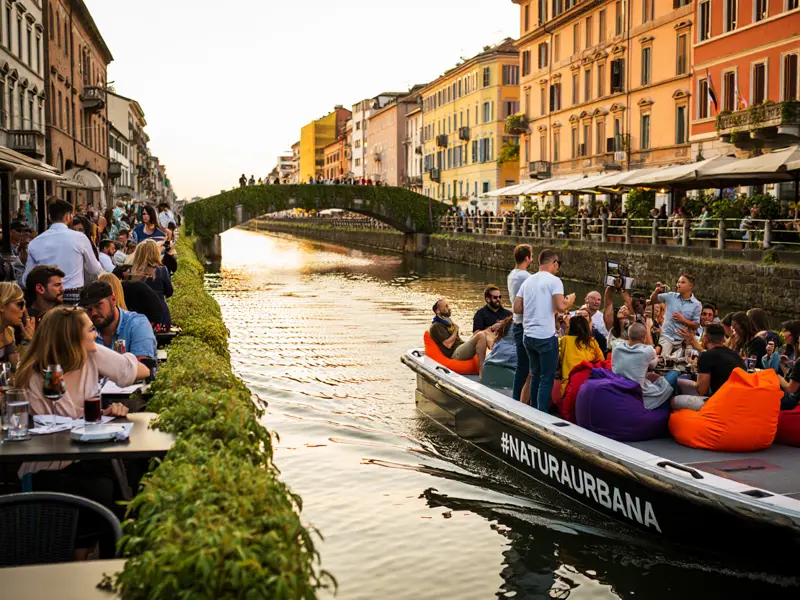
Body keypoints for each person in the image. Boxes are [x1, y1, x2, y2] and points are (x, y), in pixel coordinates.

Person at [513, 249, 575, 412]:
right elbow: (561, 308)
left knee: (535, 374)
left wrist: (536, 307)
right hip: (545, 336)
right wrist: (570, 301)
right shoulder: (554, 281)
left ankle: (533, 410)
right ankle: (542, 414)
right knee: (546, 378)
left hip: (528, 336)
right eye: (558, 264)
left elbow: (517, 308)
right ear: (553, 262)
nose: (558, 268)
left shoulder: (528, 281)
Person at [23, 200, 104, 306]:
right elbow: (94, 269)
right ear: (68, 217)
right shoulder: (79, 238)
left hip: (47, 298)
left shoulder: (35, 242)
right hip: (73, 297)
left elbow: (26, 279)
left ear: (49, 217)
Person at [672, 324, 746, 411]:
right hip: (740, 401)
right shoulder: (735, 355)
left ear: (705, 339)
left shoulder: (706, 356)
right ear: (722, 339)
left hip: (720, 404)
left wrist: (683, 382)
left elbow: (702, 390)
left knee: (674, 400)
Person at [78, 281, 157, 361]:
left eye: (98, 305)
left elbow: (143, 367)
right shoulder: (84, 329)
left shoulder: (137, 324)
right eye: (89, 309)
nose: (94, 313)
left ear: (113, 300)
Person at [612, 322, 678, 410]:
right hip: (639, 393)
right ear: (644, 338)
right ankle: (670, 404)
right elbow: (653, 365)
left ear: (628, 336)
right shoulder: (647, 351)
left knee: (651, 376)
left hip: (619, 388)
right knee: (674, 373)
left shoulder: (616, 348)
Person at [429, 299, 489, 376]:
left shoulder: (448, 322)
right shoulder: (436, 326)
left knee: (484, 332)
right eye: (446, 306)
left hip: (460, 347)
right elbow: (448, 345)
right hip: (454, 353)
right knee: (481, 335)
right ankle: (482, 371)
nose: (449, 308)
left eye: (449, 306)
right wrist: (456, 330)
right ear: (438, 310)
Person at [649, 274, 702, 357]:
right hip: (667, 337)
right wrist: (656, 291)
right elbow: (653, 300)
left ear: (690, 286)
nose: (678, 284)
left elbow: (696, 324)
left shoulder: (697, 304)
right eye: (678, 282)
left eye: (682, 282)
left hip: (682, 340)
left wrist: (683, 320)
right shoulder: (670, 296)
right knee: (663, 362)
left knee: (681, 365)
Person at [128, 239, 173, 327]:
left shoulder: (131, 272)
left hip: (137, 316)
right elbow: (169, 292)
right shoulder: (162, 270)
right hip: (160, 315)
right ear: (155, 253)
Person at [558, 311, 604, 395]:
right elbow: (601, 361)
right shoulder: (592, 341)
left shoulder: (564, 340)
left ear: (570, 327)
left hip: (568, 385)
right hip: (589, 384)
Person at [508, 244, 532, 402]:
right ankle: (519, 399)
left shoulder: (512, 274)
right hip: (524, 325)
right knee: (526, 367)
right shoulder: (526, 277)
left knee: (522, 366)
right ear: (527, 258)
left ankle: (518, 398)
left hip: (517, 324)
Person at [0, 282, 33, 366]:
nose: (24, 309)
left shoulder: (8, 332)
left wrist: (27, 341)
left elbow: (16, 368)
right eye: (20, 304)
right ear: (2, 307)